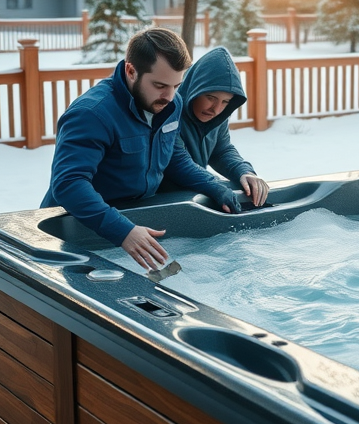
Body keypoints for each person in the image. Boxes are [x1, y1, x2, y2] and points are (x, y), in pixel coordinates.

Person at [42, 27, 240, 271]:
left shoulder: (170, 104)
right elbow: (69, 184)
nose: (169, 96)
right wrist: (123, 231)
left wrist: (213, 186)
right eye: (159, 85)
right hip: (75, 230)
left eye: (176, 86)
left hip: (134, 224)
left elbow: (174, 159)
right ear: (131, 70)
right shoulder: (91, 114)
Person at [174, 46, 269, 207]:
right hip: (162, 202)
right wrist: (215, 186)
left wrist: (243, 171)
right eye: (210, 97)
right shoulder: (170, 113)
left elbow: (221, 150)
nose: (216, 109)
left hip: (193, 195)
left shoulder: (216, 116)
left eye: (225, 102)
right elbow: (177, 162)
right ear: (195, 89)